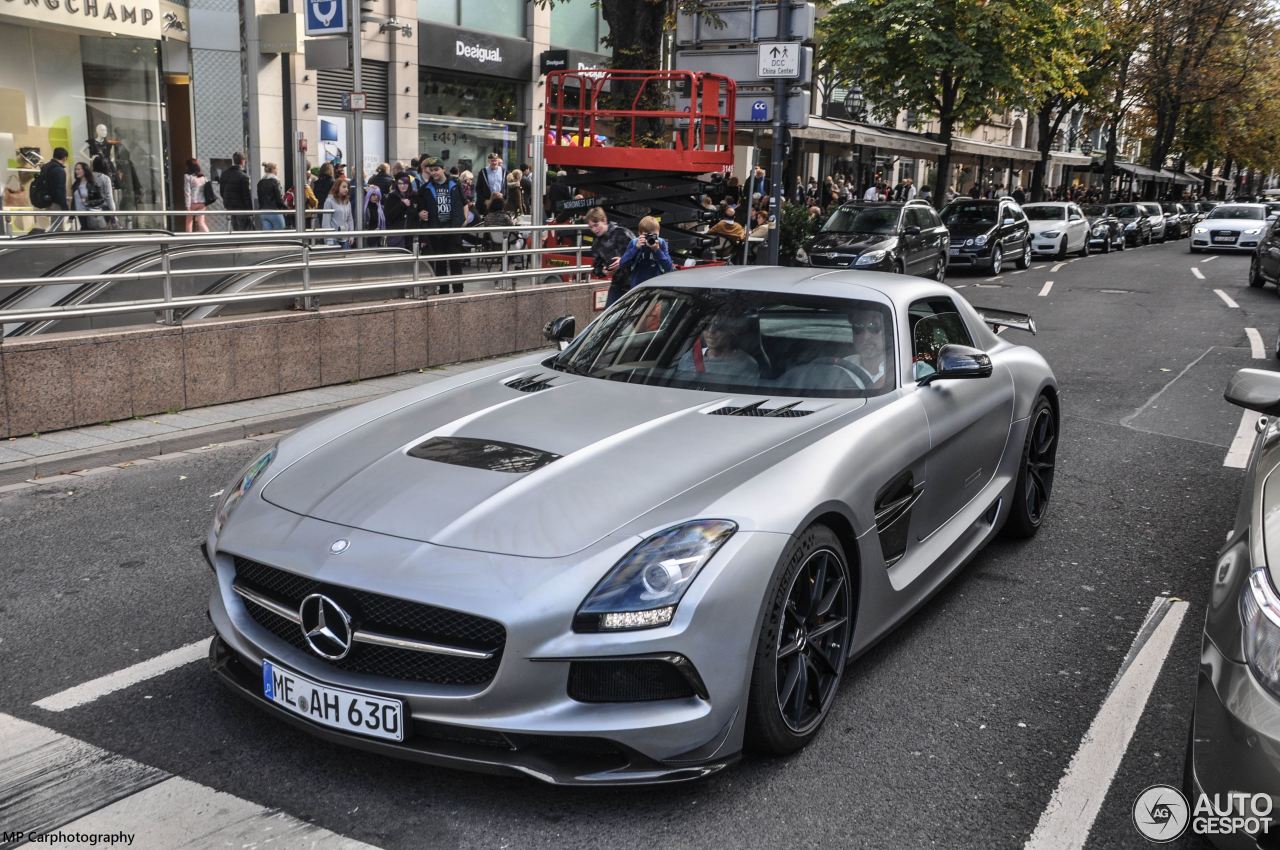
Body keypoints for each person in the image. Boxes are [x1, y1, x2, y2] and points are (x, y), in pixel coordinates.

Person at [415, 156, 467, 293]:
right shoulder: (426, 188)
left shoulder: (455, 184)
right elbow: (418, 207)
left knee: (455, 261)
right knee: (440, 262)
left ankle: (458, 289)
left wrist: (464, 220)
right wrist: (420, 212)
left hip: (453, 229)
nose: (434, 173)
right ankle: (443, 289)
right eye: (431, 170)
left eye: (437, 169)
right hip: (436, 230)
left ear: (443, 169)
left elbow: (464, 203)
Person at [675, 314, 760, 382]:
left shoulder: (745, 364)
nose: (710, 332)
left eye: (719, 327)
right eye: (706, 326)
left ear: (732, 330)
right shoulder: (689, 358)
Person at [586, 207, 635, 305]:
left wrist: (622, 261)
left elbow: (638, 252)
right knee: (609, 312)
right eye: (591, 227)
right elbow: (596, 268)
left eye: (596, 225)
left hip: (634, 280)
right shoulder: (596, 244)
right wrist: (603, 271)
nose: (594, 230)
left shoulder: (622, 233)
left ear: (604, 220)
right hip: (617, 283)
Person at [614, 216, 673, 297]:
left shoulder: (661, 243)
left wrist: (657, 250)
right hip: (638, 287)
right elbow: (622, 264)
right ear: (640, 234)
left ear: (658, 233)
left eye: (654, 235)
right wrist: (636, 248)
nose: (650, 238)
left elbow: (668, 267)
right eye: (647, 236)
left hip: (656, 287)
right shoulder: (634, 243)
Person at [843, 307, 890, 389]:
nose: (865, 336)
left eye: (874, 326)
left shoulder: (905, 369)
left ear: (888, 332)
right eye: (858, 326)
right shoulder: (842, 367)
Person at [72, 159, 114, 230]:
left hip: (89, 214)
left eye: (79, 169)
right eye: (76, 169)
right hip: (80, 215)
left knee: (89, 233)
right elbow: (74, 200)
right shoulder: (76, 184)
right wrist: (71, 215)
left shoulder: (91, 184)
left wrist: (112, 211)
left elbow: (97, 200)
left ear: (85, 170)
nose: (76, 171)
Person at [221, 152, 254, 231]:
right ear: (242, 161)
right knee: (243, 229)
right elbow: (246, 196)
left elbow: (222, 191)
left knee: (235, 228)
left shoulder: (225, 174)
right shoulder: (243, 176)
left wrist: (227, 201)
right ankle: (242, 243)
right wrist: (250, 211)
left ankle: (237, 243)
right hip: (241, 207)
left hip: (230, 206)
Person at [383, 172, 417, 249]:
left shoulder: (414, 196)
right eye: (400, 183)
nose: (403, 186)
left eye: (405, 183)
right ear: (396, 184)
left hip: (411, 236)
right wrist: (401, 205)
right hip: (396, 236)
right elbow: (388, 216)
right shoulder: (392, 197)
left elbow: (417, 215)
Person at [323, 178, 355, 246]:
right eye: (344, 187)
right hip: (333, 239)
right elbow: (326, 222)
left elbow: (350, 220)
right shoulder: (329, 201)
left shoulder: (347, 202)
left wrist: (351, 235)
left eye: (347, 187)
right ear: (337, 187)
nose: (346, 189)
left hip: (345, 238)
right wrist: (329, 239)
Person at [257, 163, 286, 230]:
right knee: (280, 232)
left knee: (267, 235)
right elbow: (279, 198)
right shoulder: (275, 181)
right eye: (276, 169)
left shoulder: (260, 182)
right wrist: (285, 208)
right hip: (274, 211)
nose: (277, 171)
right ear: (273, 170)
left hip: (263, 212)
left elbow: (259, 198)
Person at [182, 157, 209, 233]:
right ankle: (209, 237)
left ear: (188, 166)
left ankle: (189, 240)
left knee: (189, 222)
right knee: (201, 222)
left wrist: (187, 206)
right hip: (202, 203)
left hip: (193, 203)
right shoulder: (203, 177)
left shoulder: (187, 177)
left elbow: (187, 192)